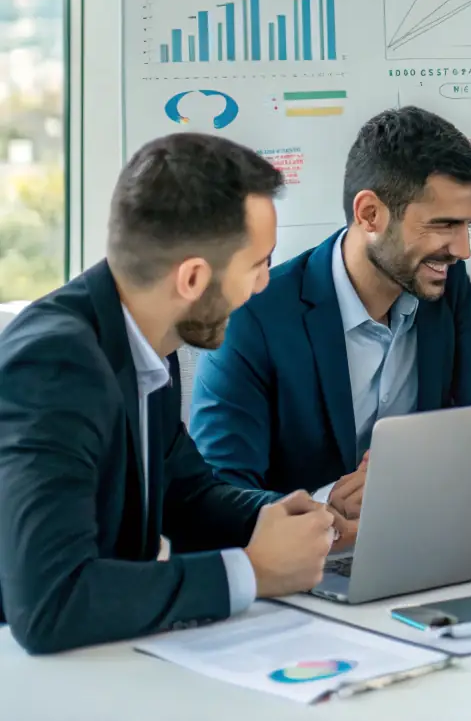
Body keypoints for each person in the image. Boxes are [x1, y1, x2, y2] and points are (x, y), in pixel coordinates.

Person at [0, 133, 337, 656]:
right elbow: (52, 602)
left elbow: (187, 495)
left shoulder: (149, 340)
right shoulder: (54, 367)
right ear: (194, 278)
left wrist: (297, 518)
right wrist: (251, 572)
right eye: (258, 264)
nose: (265, 284)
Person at [190, 106, 471, 536]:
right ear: (370, 215)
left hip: (418, 543)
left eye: (468, 225)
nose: (462, 249)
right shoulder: (255, 318)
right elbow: (219, 496)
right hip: (303, 570)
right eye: (444, 225)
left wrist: (419, 474)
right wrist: (327, 508)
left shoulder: (444, 286)